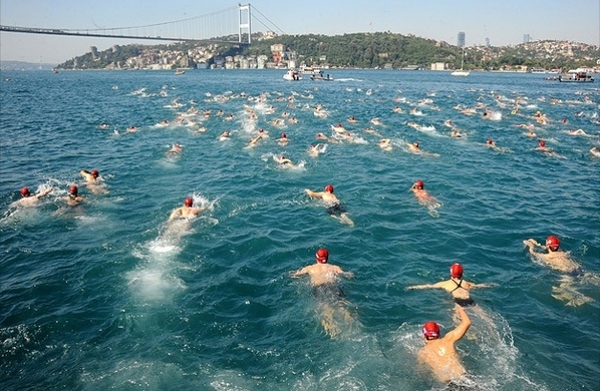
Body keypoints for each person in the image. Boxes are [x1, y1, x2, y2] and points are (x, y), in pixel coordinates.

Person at [291, 248, 355, 338]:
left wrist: (293, 274)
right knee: (342, 307)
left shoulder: (310, 268)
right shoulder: (334, 267)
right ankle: (352, 324)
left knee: (325, 309)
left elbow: (296, 275)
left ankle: (333, 331)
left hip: (319, 288)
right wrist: (350, 274)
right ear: (327, 258)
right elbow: (347, 274)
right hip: (334, 287)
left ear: (316, 258)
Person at [417, 305, 471, 384]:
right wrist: (460, 309)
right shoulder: (447, 340)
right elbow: (467, 322)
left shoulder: (422, 353)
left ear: (424, 334)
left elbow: (420, 372)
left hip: (450, 385)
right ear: (438, 333)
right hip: (464, 379)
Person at [407, 263, 493, 307]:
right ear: (462, 273)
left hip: (458, 301)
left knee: (458, 320)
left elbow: (429, 286)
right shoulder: (466, 283)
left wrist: (413, 287)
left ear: (451, 273)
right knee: (483, 315)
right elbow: (479, 286)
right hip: (469, 299)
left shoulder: (445, 283)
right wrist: (491, 285)